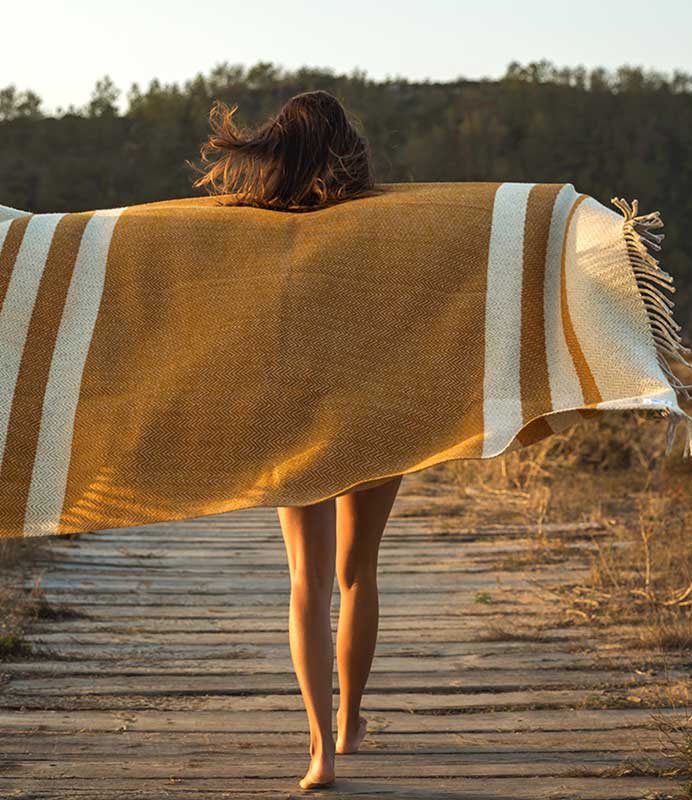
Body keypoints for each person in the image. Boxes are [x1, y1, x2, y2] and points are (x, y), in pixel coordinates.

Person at [192, 90, 404, 790]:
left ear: (279, 151)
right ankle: (352, 721)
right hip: (375, 409)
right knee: (357, 573)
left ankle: (322, 749)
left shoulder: (254, 232)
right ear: (351, 147)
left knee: (306, 582)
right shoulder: (393, 224)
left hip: (295, 415)